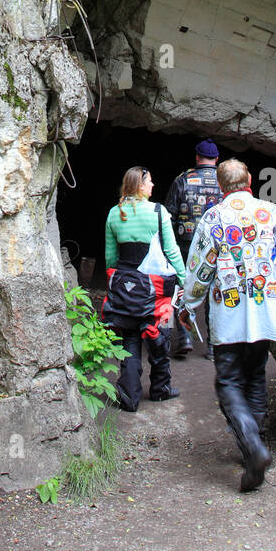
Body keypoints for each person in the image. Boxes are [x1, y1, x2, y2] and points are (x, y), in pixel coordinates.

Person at [180, 158, 276, 492]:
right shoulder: (274, 214)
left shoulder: (213, 217)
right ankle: (256, 448)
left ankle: (252, 447)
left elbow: (200, 270)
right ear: (249, 179)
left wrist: (189, 306)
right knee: (256, 377)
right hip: (264, 313)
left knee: (229, 382)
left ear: (220, 186)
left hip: (229, 316)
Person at [101, 166, 186, 412]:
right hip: (158, 289)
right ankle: (161, 389)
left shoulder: (113, 213)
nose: (153, 185)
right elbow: (171, 251)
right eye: (150, 182)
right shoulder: (159, 212)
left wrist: (117, 285)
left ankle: (129, 396)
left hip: (125, 286)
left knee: (129, 337)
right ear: (140, 185)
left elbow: (110, 257)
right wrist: (183, 278)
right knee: (162, 334)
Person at [165, 140, 220, 358]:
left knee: (183, 286)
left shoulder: (182, 179)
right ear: (217, 159)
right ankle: (214, 346)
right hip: (217, 246)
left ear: (197, 157)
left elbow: (170, 214)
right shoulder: (225, 180)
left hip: (186, 243)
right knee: (216, 292)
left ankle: (185, 336)